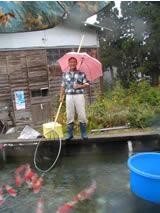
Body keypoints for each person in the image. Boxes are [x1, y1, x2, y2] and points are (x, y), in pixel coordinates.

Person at [59, 57, 89, 140]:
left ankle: (83, 133)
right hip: (69, 96)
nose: (72, 63)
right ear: (68, 64)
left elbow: (87, 84)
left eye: (74, 62)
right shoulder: (65, 74)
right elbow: (63, 86)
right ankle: (70, 134)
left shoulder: (81, 73)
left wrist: (79, 86)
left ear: (76, 63)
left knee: (82, 114)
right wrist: (61, 96)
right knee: (69, 114)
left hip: (79, 96)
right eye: (70, 62)